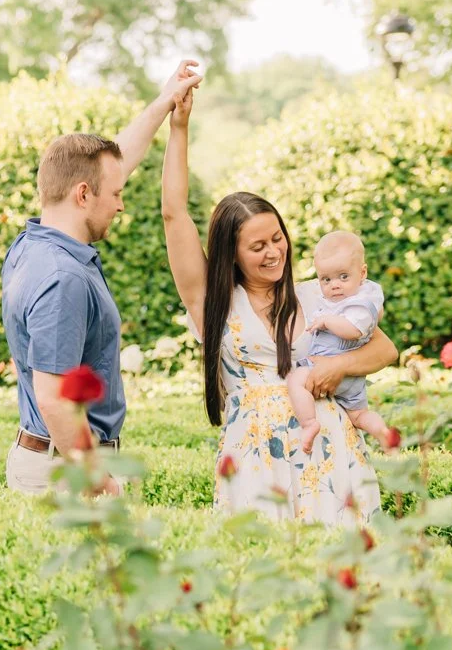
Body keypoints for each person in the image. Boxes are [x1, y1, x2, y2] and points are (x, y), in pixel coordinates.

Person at [159, 84, 396, 525]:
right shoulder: (213, 305)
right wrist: (179, 126)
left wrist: (337, 368)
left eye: (277, 238)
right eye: (257, 246)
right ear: (231, 253)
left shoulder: (315, 294)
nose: (274, 252)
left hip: (330, 451)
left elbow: (385, 350)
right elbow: (174, 214)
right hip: (254, 459)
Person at [1, 60, 205, 494]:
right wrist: (101, 481)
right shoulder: (62, 277)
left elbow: (113, 167)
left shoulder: (32, 245)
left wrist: (165, 103)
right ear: (82, 195)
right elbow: (55, 398)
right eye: (116, 195)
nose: (121, 205)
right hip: (68, 472)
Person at [288, 231, 394, 454]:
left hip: (336, 369)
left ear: (362, 272)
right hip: (353, 381)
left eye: (343, 277)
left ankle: (309, 423)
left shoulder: (355, 304)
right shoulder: (364, 296)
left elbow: (353, 331)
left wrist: (327, 320)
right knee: (359, 415)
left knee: (296, 379)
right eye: (326, 279)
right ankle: (383, 433)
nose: (334, 285)